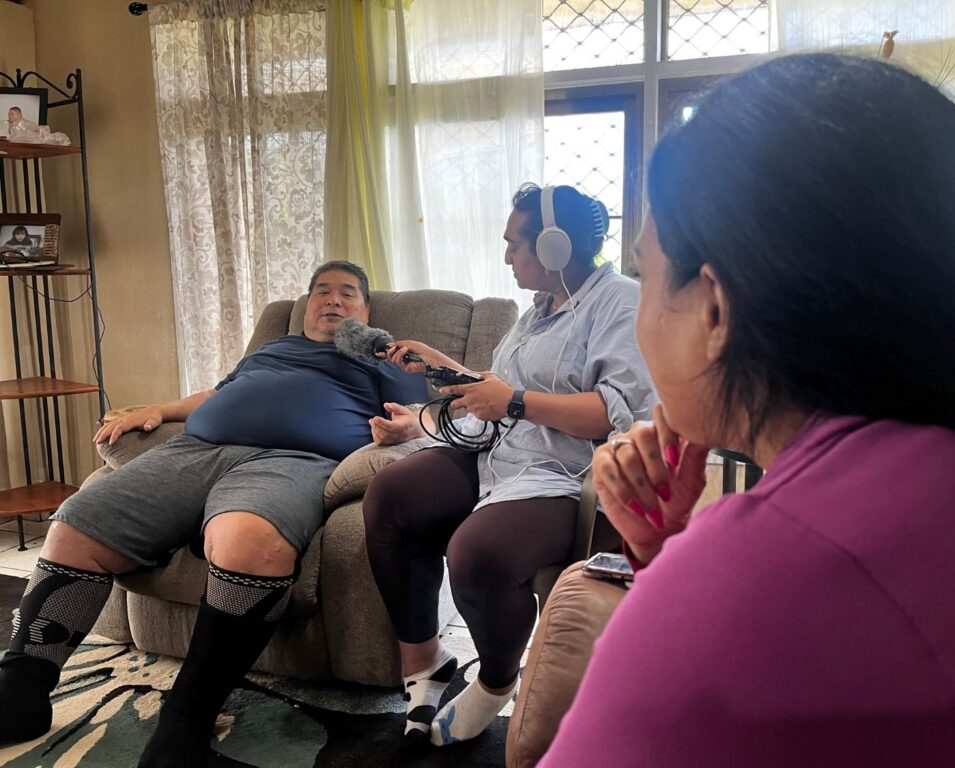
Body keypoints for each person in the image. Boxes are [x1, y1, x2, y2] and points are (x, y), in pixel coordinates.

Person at [539, 54, 955, 766]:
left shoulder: (752, 583)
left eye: (645, 273)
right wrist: (667, 555)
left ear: (712, 307)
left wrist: (689, 584)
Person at [0, 261, 427, 766]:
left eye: (348, 293)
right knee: (77, 523)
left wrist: (406, 429)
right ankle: (22, 690)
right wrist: (158, 409)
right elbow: (219, 395)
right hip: (198, 449)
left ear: (366, 310)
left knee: (247, 542)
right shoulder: (273, 349)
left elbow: (421, 419)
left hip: (294, 460)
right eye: (322, 291)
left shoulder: (387, 358)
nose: (332, 299)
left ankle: (188, 716)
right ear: (307, 304)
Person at [362, 183, 656, 747]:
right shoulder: (537, 312)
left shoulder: (619, 300)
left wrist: (516, 403)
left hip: (566, 474)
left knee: (478, 552)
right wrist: (437, 365)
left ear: (553, 247)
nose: (506, 258)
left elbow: (618, 412)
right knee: (391, 495)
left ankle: (495, 682)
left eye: (514, 245)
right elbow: (498, 390)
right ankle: (427, 663)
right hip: (498, 450)